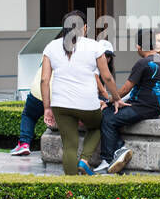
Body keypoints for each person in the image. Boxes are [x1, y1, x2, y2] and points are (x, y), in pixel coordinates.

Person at [94, 28, 160, 174]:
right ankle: (119, 148)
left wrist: (108, 100)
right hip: (154, 108)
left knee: (107, 117)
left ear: (139, 47)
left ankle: (107, 159)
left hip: (139, 107)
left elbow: (124, 90)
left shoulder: (142, 63)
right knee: (111, 113)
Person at [41, 10, 122, 176]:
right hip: (87, 103)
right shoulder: (94, 45)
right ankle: (84, 160)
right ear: (85, 27)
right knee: (98, 125)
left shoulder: (51, 46)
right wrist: (116, 98)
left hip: (60, 104)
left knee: (69, 145)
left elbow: (44, 80)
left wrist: (46, 107)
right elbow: (107, 77)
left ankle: (71, 191)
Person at [10, 59, 45, 157]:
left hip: (38, 93)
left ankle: (24, 143)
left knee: (29, 115)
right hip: (58, 95)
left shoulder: (50, 49)